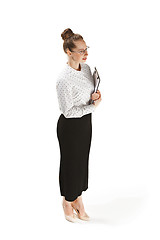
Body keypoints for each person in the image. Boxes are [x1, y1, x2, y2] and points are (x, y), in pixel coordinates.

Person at [56, 28, 102, 222]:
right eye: (81, 50)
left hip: (85, 124)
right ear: (69, 52)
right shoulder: (63, 79)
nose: (86, 54)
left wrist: (94, 96)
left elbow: (87, 94)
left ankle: (78, 198)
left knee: (81, 162)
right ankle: (68, 200)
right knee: (70, 164)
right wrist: (92, 107)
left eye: (86, 49)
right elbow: (68, 111)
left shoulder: (86, 68)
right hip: (70, 127)